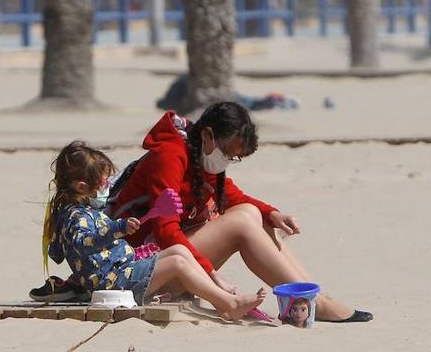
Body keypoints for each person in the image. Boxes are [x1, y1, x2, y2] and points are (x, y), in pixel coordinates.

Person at [108, 102, 372, 323]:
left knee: (249, 213)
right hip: (141, 270)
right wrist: (211, 274)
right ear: (207, 135)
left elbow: (233, 197)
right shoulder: (170, 155)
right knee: (241, 224)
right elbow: (165, 230)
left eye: (234, 158)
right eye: (228, 153)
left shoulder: (200, 154)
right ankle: (309, 301)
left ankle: (313, 295)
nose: (227, 162)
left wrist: (273, 214)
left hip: (167, 257)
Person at [44, 141, 267, 320]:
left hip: (122, 270)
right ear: (81, 187)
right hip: (112, 282)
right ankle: (228, 304)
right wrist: (117, 229)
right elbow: (84, 243)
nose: (108, 187)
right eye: (103, 184)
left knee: (179, 251)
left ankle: (220, 296)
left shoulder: (87, 210)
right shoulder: (75, 217)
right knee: (177, 263)